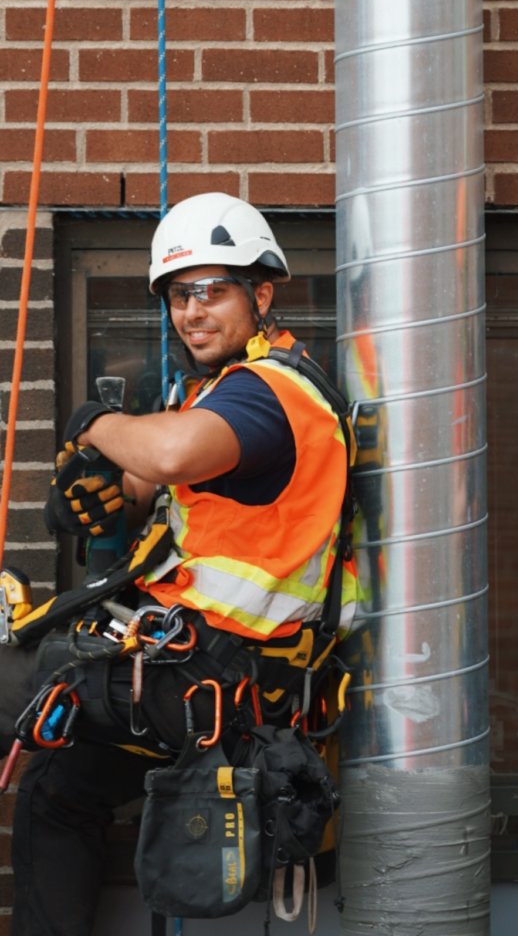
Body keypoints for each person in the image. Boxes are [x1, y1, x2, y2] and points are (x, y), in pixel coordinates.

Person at [3, 192, 356, 936]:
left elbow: (169, 453)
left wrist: (95, 424)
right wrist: (101, 497)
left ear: (261, 295)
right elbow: (154, 482)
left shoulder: (270, 393)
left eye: (211, 291)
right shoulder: (219, 393)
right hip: (203, 682)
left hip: (209, 677)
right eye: (178, 296)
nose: (191, 312)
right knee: (59, 789)